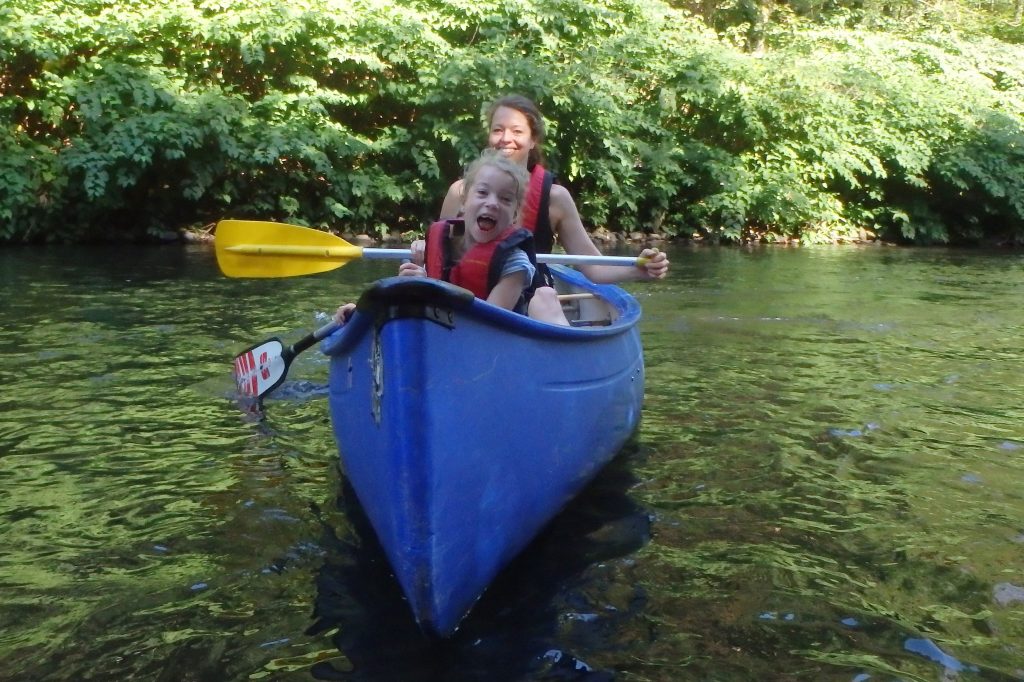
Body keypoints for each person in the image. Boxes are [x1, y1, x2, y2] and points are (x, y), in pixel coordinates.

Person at [427, 94, 670, 284]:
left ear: (533, 140)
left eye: (517, 131)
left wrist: (638, 270)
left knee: (544, 301)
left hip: (531, 296)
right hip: (469, 292)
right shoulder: (460, 192)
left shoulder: (555, 198)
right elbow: (438, 258)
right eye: (498, 130)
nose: (505, 138)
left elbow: (594, 267)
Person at [336, 150, 569, 326]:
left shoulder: (515, 264)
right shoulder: (443, 245)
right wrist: (363, 314)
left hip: (491, 341)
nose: (492, 203)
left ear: (515, 214)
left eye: (506, 199)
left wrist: (428, 289)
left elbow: (486, 324)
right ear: (464, 200)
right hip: (447, 333)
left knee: (544, 296)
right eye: (482, 193)